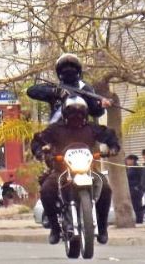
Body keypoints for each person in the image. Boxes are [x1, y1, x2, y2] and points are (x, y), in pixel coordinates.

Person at [31, 96, 119, 245]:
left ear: (85, 114)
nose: (76, 117)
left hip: (88, 170)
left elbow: (110, 136)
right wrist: (40, 151)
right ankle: (54, 228)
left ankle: (103, 227)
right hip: (61, 171)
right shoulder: (55, 129)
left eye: (80, 113)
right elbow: (38, 140)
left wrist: (113, 147)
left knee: (105, 188)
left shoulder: (92, 128)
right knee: (46, 190)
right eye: (72, 113)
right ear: (65, 114)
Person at [26, 54, 111, 123]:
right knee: (42, 143)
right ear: (59, 72)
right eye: (65, 68)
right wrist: (55, 91)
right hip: (56, 133)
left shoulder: (85, 88)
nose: (69, 70)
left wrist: (101, 105)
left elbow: (95, 112)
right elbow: (31, 91)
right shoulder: (55, 87)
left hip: (81, 131)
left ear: (78, 71)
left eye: (72, 67)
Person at [125, 154, 144, 223]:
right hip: (131, 190)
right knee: (134, 207)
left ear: (132, 160)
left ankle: (139, 221)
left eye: (127, 160)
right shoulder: (129, 168)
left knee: (137, 206)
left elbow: (142, 178)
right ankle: (137, 220)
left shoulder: (137, 168)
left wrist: (138, 187)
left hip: (136, 190)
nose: (126, 161)